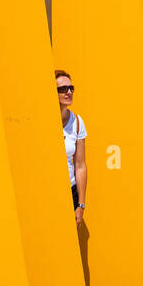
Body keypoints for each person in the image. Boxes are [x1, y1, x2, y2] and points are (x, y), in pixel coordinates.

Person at [56, 70, 86, 226]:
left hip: (71, 192)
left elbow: (80, 166)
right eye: (62, 89)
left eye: (71, 88)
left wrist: (80, 205)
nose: (68, 92)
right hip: (51, 192)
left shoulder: (77, 122)